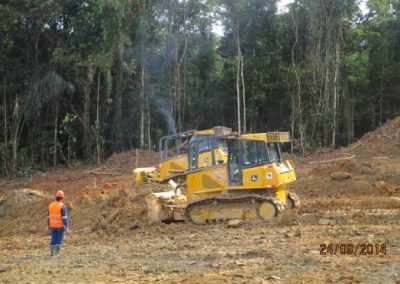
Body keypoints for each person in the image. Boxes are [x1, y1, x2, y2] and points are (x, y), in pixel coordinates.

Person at [48, 190, 68, 256]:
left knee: (53, 238)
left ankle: (52, 252)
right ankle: (57, 253)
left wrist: (49, 225)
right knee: (59, 238)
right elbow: (64, 217)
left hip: (52, 226)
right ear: (62, 198)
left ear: (56, 196)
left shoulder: (50, 205)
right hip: (60, 226)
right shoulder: (62, 206)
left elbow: (49, 217)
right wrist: (66, 225)